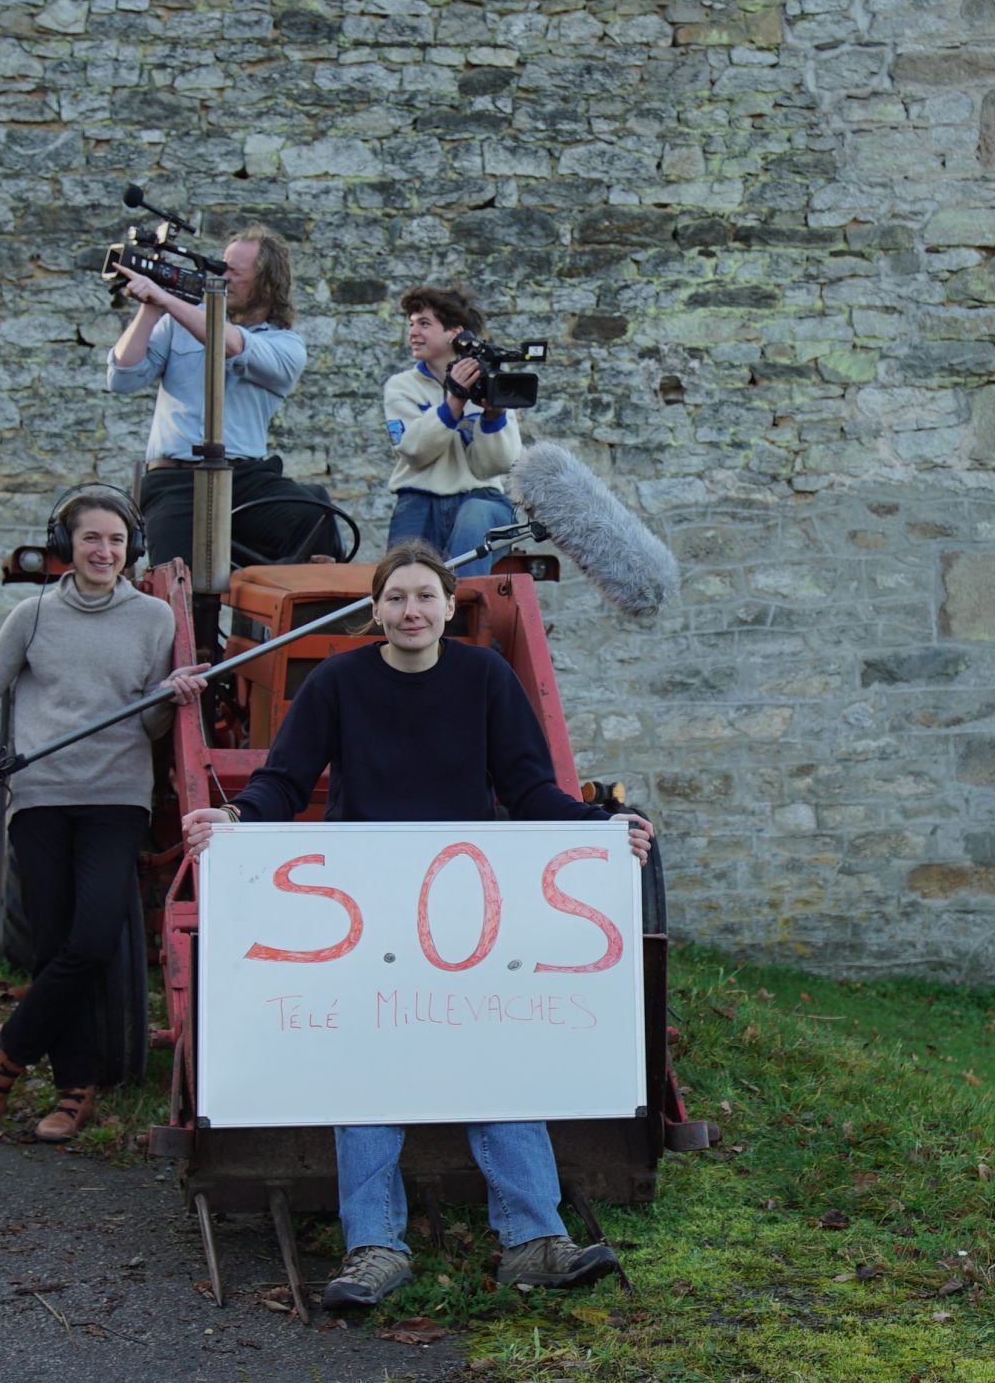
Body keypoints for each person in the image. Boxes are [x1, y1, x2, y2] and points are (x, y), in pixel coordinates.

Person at [180, 541, 654, 1308]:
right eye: (396, 597)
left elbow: (529, 787)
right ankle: (374, 1246)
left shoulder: (485, 678)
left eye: (425, 597)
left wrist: (600, 831)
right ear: (375, 609)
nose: (411, 611)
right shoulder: (338, 683)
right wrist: (233, 820)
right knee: (369, 1069)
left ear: (447, 607)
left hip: (465, 906)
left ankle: (534, 1239)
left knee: (492, 1057)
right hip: (369, 908)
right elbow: (285, 781)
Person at [0, 486, 206, 1143]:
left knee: (92, 939)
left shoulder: (154, 619)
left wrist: (168, 697)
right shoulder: (32, 615)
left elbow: (149, 727)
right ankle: (76, 1088)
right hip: (40, 796)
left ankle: (9, 1046)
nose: (104, 551)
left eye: (116, 540)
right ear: (66, 544)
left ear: (132, 548)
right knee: (52, 945)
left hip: (115, 798)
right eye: (91, 538)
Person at [105, 220, 319, 569]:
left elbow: (232, 344)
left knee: (314, 515)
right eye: (221, 267)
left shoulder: (285, 345)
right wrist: (151, 307)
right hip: (175, 480)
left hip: (245, 479)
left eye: (234, 272)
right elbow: (122, 377)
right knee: (174, 578)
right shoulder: (177, 320)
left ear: (267, 282)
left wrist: (167, 298)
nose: (222, 277)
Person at [382, 284, 521, 576]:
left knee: (475, 513)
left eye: (424, 324)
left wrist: (493, 415)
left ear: (455, 332)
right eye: (411, 324)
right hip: (420, 501)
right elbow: (414, 452)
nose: (413, 332)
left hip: (482, 500)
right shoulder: (401, 386)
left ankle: (461, 601)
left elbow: (498, 466)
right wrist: (455, 401)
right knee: (403, 580)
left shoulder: (491, 381)